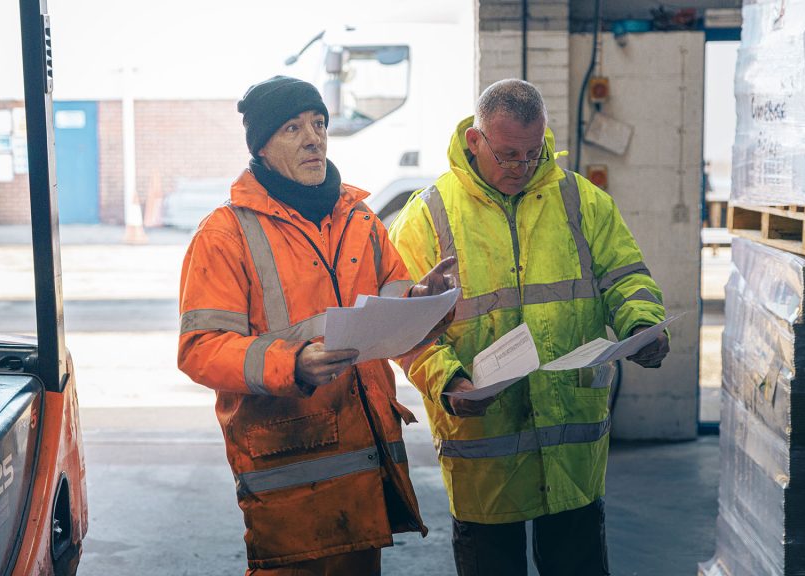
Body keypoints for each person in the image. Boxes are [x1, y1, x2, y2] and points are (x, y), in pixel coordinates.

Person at [387, 78, 670, 576]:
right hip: (485, 451)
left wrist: (643, 325)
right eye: (508, 155)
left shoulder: (581, 201)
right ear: (475, 142)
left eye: (532, 153)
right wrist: (449, 382)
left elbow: (626, 278)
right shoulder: (427, 216)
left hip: (571, 449)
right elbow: (406, 328)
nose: (521, 168)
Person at [177, 76, 455, 576]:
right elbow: (200, 348)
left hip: (363, 465)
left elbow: (390, 297)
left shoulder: (361, 218)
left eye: (319, 123)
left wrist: (420, 299)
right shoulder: (224, 234)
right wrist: (293, 363)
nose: (313, 137)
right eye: (292, 127)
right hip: (288, 468)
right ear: (261, 146)